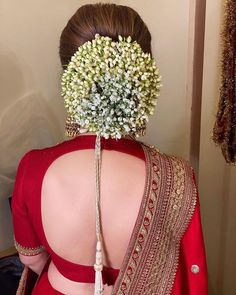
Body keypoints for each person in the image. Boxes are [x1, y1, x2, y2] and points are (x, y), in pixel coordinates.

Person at [12, 3, 208, 295]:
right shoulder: (176, 177)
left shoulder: (33, 167)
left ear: (71, 79)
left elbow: (32, 258)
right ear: (141, 79)